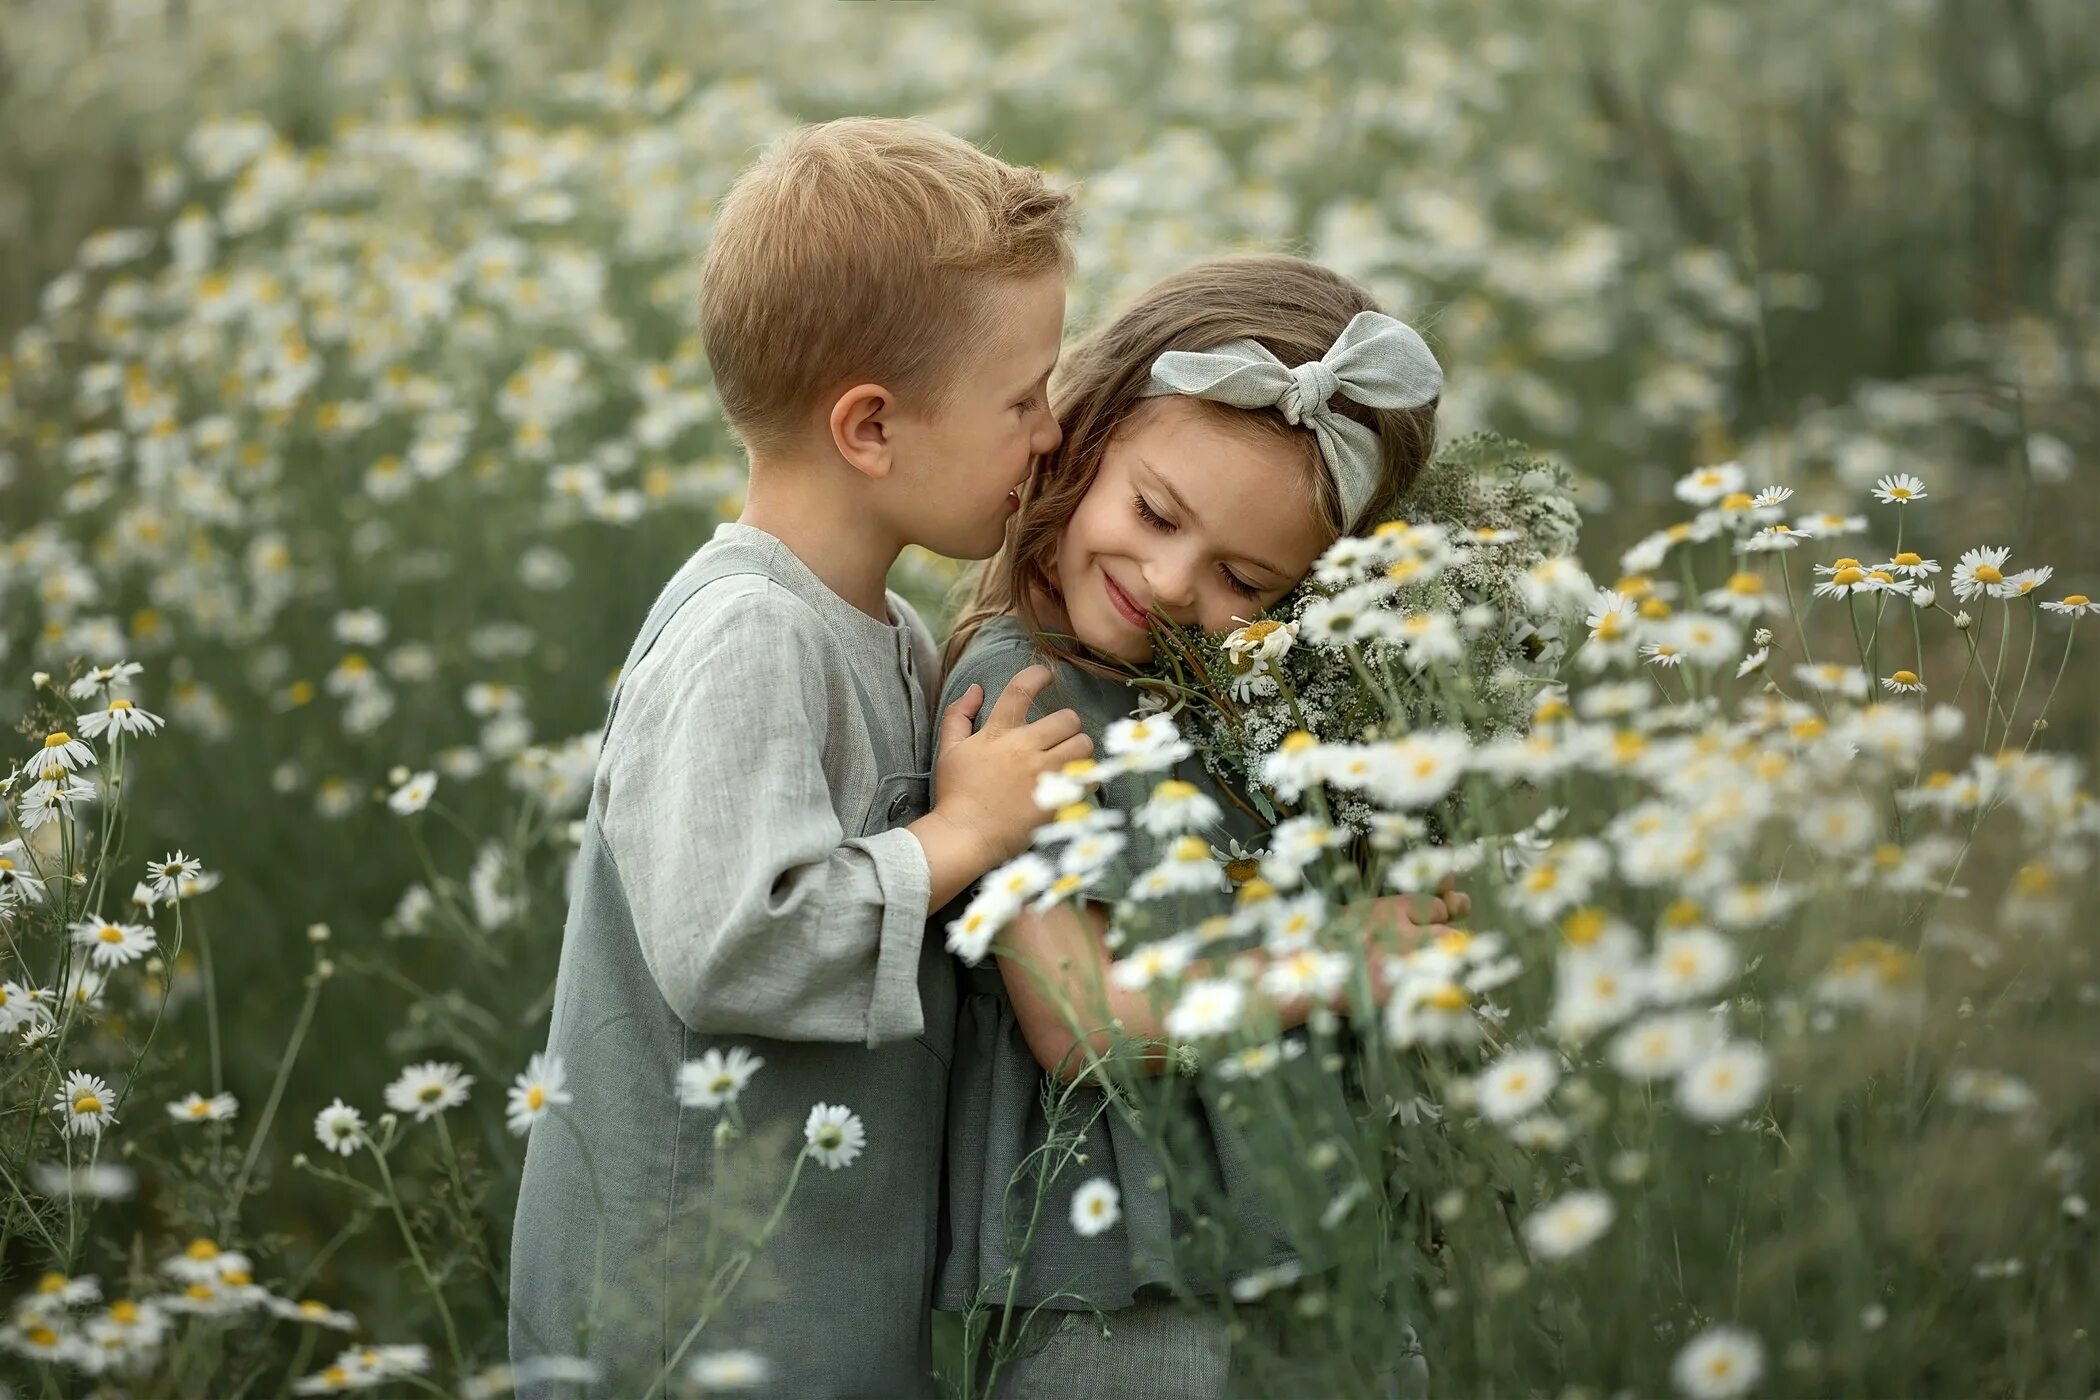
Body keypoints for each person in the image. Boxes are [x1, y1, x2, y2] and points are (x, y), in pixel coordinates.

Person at [508, 116, 1092, 1398]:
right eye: (1023, 396)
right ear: (871, 427)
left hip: (814, 1286)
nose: (1051, 432)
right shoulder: (748, 633)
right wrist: (961, 836)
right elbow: (733, 938)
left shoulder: (885, 632)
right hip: (680, 1307)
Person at [936, 253, 1455, 1397]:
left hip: (1311, 1250)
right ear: (1081, 435)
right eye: (1156, 512)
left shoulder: (1233, 697)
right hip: (1129, 1291)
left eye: (1246, 580)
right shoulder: (1025, 697)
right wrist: (1336, 963)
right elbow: (1076, 1018)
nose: (1172, 582)